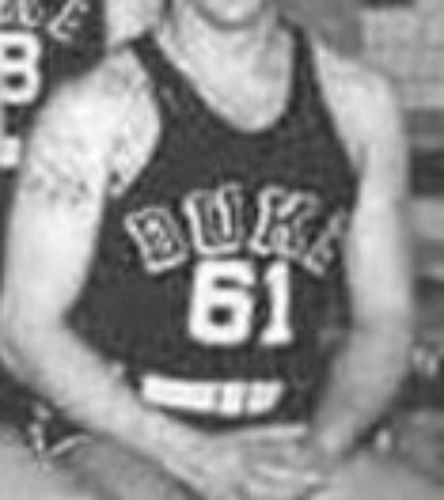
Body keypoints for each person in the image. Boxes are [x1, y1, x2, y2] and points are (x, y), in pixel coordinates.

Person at [0, 0, 441, 499]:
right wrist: (194, 455)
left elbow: (385, 319)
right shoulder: (96, 110)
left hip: (287, 427)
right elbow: (23, 330)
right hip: (126, 433)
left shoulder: (359, 102)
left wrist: (322, 446)